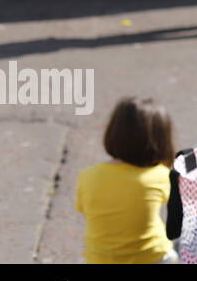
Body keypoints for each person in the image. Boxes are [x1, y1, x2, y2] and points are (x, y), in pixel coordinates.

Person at [75, 97, 178, 264]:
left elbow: (86, 212)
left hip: (99, 260)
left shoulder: (88, 176)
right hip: (150, 258)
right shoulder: (162, 176)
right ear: (162, 139)